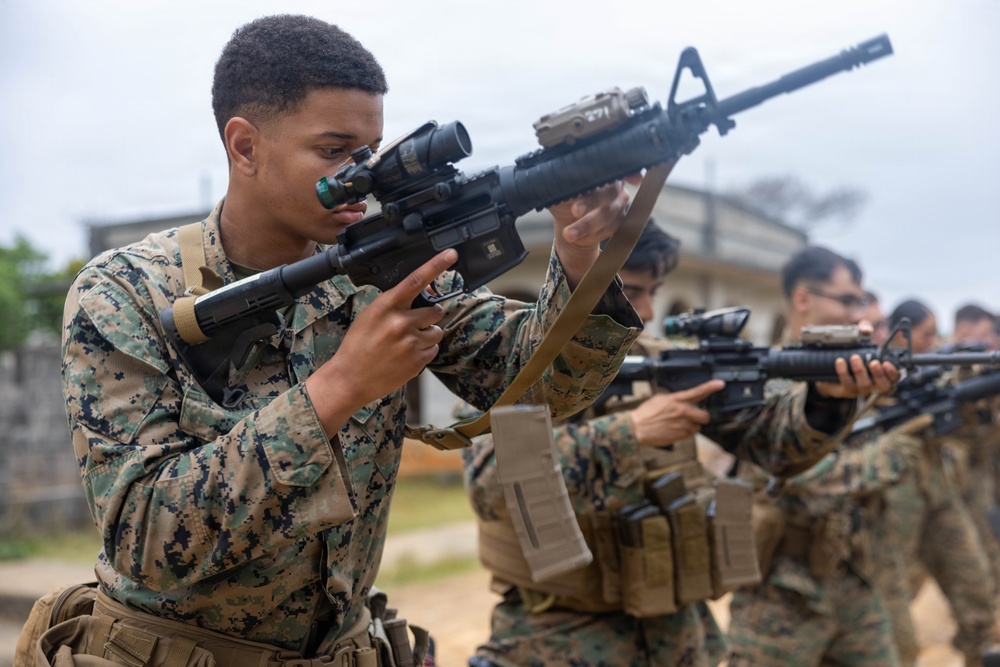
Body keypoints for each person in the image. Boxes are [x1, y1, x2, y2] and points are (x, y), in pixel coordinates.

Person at [56, 14, 650, 666]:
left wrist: (578, 254)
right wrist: (340, 386)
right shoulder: (125, 292)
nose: (360, 176)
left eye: (369, 152)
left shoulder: (383, 269)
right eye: (335, 152)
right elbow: (146, 535)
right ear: (245, 146)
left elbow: (539, 387)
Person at [460, 236, 898, 667]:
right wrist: (631, 431)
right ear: (568, 287)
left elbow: (773, 443)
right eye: (630, 293)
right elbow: (492, 485)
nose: (647, 312)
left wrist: (826, 398)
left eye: (653, 293)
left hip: (679, 636)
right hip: (559, 638)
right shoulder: (515, 372)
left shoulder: (667, 365)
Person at [726, 246, 915, 667]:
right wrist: (895, 453)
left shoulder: (847, 375)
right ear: (803, 298)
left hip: (847, 574)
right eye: (847, 300)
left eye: (861, 302)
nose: (857, 315)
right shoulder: (761, 377)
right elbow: (812, 475)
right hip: (781, 590)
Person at [884, 300, 1000, 665]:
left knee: (977, 596)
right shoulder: (872, 375)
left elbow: (972, 430)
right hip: (893, 499)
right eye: (927, 335)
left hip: (937, 490)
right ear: (901, 335)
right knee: (893, 606)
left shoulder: (935, 374)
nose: (934, 343)